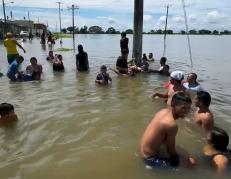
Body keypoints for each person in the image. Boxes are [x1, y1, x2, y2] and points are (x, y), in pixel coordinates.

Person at [140, 92, 194, 168]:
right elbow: (170, 151)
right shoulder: (171, 125)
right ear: (173, 105)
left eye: (188, 108)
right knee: (190, 163)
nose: (187, 111)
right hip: (150, 159)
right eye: (183, 108)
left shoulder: (163, 111)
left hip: (143, 151)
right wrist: (184, 159)